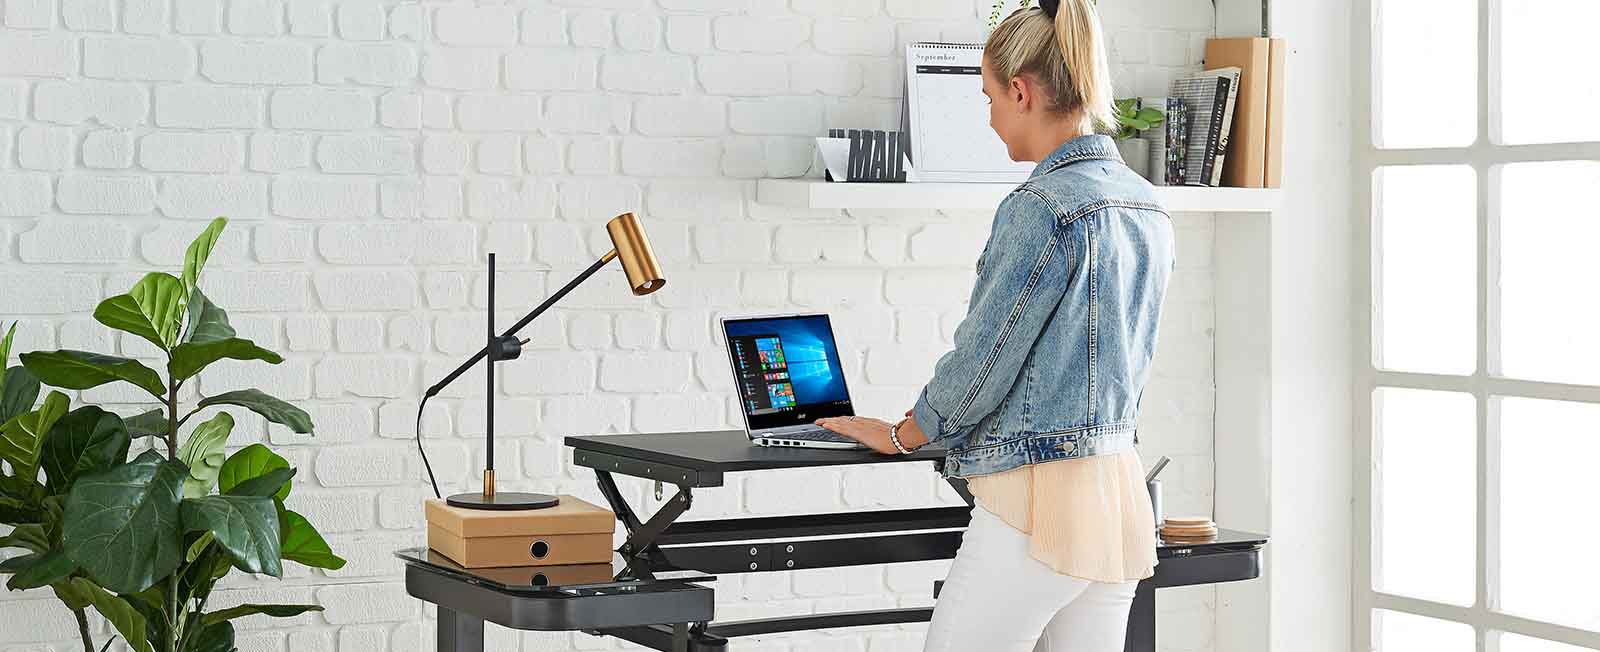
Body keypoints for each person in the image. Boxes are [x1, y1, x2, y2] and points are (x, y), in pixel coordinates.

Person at [814, 0, 1174, 650]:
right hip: (1119, 491)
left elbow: (985, 361)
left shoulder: (1042, 206)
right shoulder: (1143, 202)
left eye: (988, 98)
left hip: (1038, 502)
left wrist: (902, 434)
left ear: (1021, 91)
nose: (988, 117)